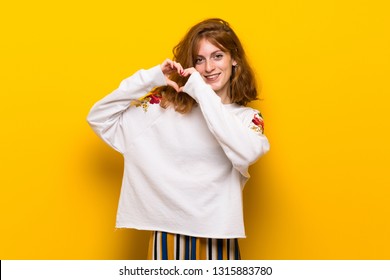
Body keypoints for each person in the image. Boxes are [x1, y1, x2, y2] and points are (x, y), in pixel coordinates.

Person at [87, 18, 270, 260]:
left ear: (234, 58)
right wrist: (151, 78)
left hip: (219, 236)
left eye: (217, 56)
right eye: (199, 59)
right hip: (168, 235)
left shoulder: (247, 119)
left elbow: (247, 153)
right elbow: (99, 117)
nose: (208, 68)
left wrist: (203, 94)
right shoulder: (164, 107)